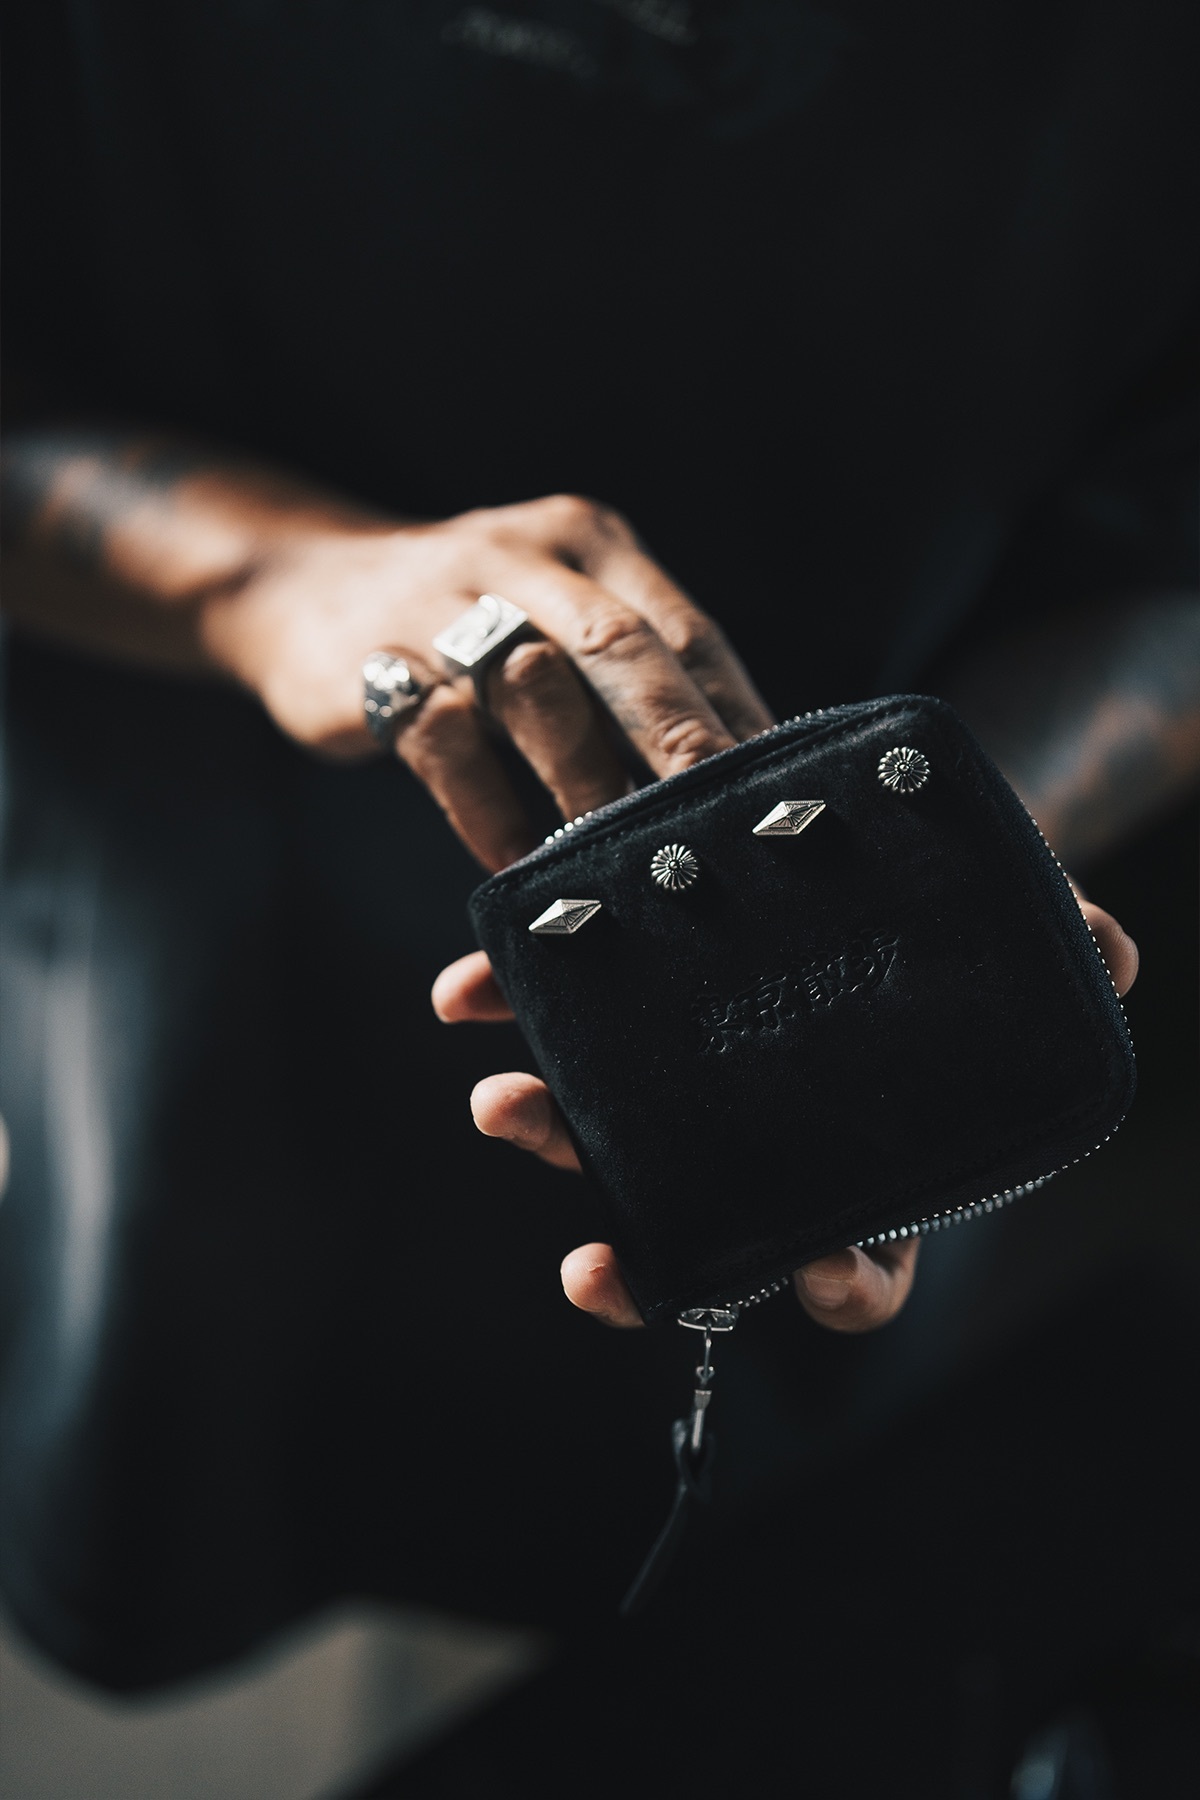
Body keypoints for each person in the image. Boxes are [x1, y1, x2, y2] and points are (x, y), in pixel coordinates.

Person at [1, 0, 1196, 1773]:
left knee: (719, 1637)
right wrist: (261, 577)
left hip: (846, 1043)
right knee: (228, 1463)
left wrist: (951, 855)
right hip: (206, 995)